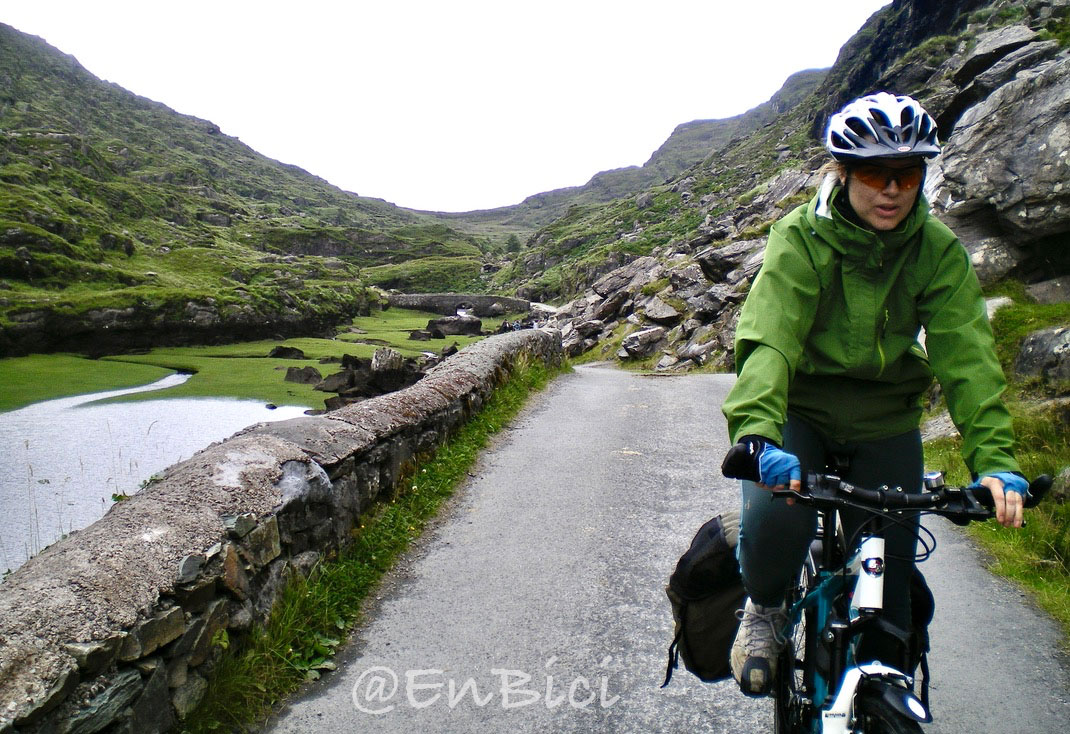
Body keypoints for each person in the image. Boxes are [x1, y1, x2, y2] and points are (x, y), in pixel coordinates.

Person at [718, 92, 1027, 697]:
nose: (890, 190)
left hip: (885, 420)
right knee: (779, 523)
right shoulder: (800, 238)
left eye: (906, 173)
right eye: (872, 173)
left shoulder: (936, 250)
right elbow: (771, 339)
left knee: (890, 604)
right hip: (800, 413)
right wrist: (756, 432)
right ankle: (765, 609)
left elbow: (965, 355)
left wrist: (994, 460)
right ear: (842, 171)